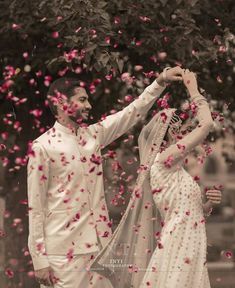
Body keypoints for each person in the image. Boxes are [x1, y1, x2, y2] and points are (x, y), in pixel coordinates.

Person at [27, 66, 183, 287]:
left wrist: (159, 82)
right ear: (62, 103)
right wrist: (39, 258)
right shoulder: (42, 147)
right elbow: (36, 207)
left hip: (100, 249)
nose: (89, 105)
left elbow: (130, 113)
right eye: (82, 100)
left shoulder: (92, 136)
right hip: (62, 255)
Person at [90, 69, 222, 288]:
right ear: (169, 134)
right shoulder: (163, 161)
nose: (189, 134)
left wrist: (209, 203)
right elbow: (206, 124)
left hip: (191, 241)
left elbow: (189, 211)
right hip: (180, 245)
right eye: (184, 129)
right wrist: (192, 88)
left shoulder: (177, 170)